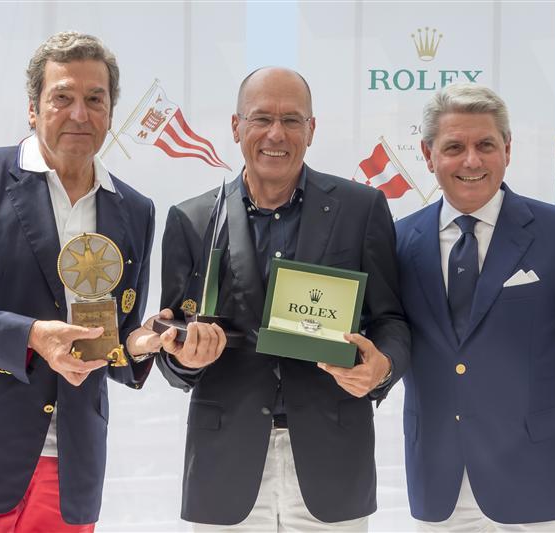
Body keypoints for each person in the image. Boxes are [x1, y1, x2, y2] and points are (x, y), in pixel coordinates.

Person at [0, 31, 162, 531]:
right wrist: (32, 336)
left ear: (111, 111)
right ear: (33, 108)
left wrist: (144, 342)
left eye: (96, 99)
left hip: (73, 460)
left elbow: (114, 338)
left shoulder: (134, 209)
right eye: (62, 97)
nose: (80, 114)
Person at [154, 66, 411, 531]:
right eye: (261, 118)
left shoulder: (362, 209)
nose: (277, 133)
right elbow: (171, 350)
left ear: (312, 130)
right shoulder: (191, 220)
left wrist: (382, 367)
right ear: (236, 127)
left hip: (333, 462)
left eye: (292, 120)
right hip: (224, 468)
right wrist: (185, 357)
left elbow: (391, 319)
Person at [395, 83, 555, 532]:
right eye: (454, 147)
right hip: (438, 486)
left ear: (507, 149)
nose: (471, 160)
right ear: (428, 155)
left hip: (543, 487)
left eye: (485, 145)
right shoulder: (399, 241)